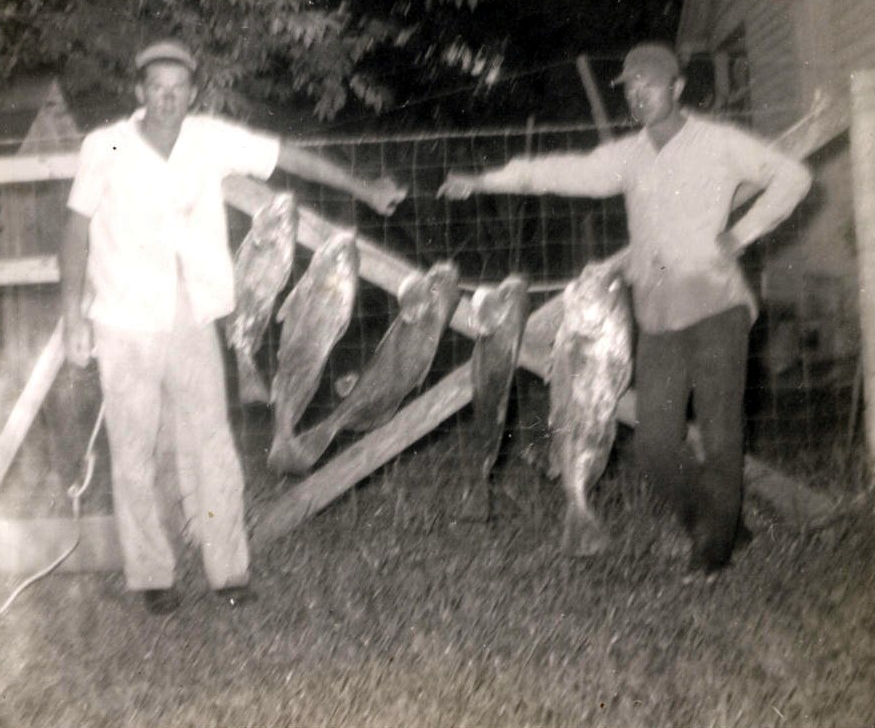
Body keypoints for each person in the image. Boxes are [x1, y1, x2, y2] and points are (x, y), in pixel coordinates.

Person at [439, 42, 812, 579]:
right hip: (657, 318)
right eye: (630, 88)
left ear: (677, 87)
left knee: (720, 435)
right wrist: (482, 181)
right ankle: (719, 523)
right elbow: (560, 171)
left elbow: (794, 177)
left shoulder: (718, 142)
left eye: (649, 85)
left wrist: (741, 235)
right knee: (655, 445)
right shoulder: (629, 155)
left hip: (717, 310)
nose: (638, 95)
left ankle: (713, 552)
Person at [60, 38, 406, 614]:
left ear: (191, 93)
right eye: (157, 88)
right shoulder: (108, 143)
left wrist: (364, 188)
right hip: (122, 319)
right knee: (133, 447)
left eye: (178, 89)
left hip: (193, 316)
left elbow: (289, 156)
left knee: (214, 442)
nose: (168, 99)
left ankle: (228, 570)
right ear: (139, 92)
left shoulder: (208, 138)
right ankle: (151, 575)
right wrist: (72, 312)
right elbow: (75, 229)